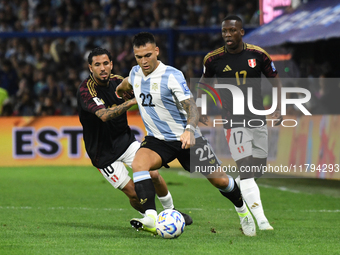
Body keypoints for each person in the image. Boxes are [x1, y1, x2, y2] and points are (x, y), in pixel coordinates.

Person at [116, 32, 256, 236]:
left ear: (157, 51)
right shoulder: (136, 73)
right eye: (139, 57)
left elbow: (192, 108)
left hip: (186, 138)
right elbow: (128, 83)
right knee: (139, 164)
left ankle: (243, 212)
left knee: (221, 181)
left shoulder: (172, 75)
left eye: (148, 55)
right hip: (157, 140)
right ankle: (151, 218)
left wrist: (190, 130)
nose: (144, 61)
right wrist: (120, 90)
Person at [76, 47, 192, 228]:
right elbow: (104, 115)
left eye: (106, 63)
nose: (103, 68)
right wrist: (131, 102)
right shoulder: (86, 91)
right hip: (103, 153)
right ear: (90, 68)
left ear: (111, 64)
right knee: (134, 193)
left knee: (153, 173)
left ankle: (171, 212)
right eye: (97, 65)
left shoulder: (119, 82)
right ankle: (151, 218)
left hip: (125, 140)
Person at [199, 15, 283, 230]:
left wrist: (279, 107)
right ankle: (261, 221)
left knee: (256, 171)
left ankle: (237, 187)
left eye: (232, 31)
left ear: (241, 32)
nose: (227, 34)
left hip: (257, 119)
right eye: (224, 31)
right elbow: (204, 84)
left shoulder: (258, 55)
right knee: (246, 169)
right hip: (232, 121)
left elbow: (275, 80)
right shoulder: (212, 59)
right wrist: (201, 108)